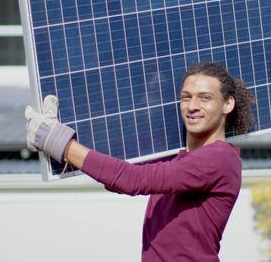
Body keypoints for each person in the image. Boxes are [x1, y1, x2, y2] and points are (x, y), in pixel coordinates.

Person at [25, 62, 254, 262]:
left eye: (205, 98)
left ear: (227, 104)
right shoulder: (178, 159)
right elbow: (117, 179)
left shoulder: (219, 158)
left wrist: (59, 142)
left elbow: (132, 180)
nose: (192, 106)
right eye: (186, 97)